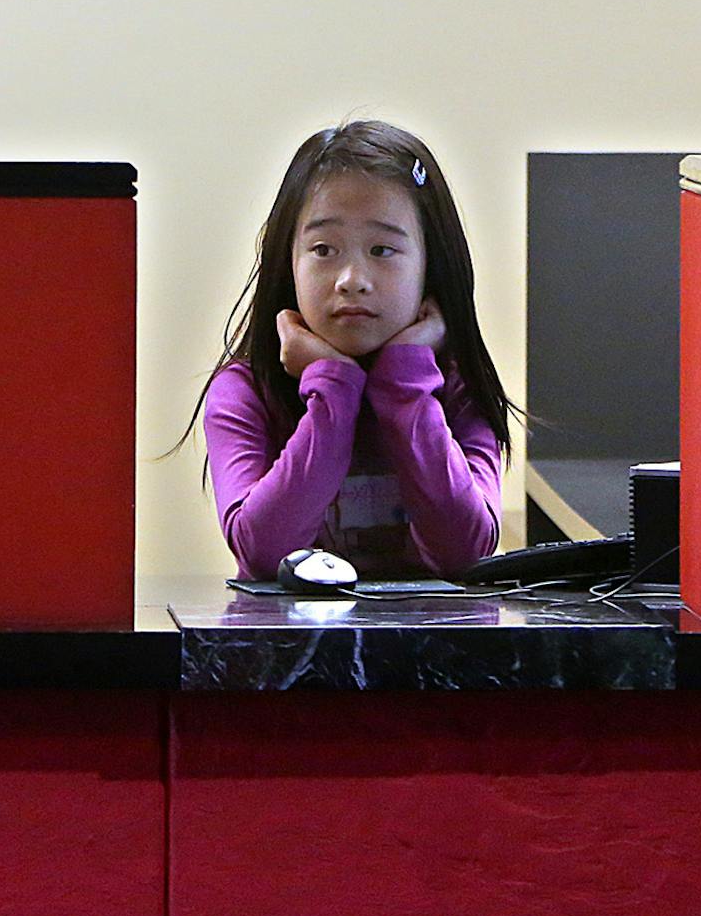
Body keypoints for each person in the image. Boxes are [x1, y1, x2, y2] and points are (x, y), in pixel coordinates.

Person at [170, 120, 519, 580]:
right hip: (291, 650)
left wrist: (405, 386)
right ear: (286, 262)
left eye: (381, 249)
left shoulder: (458, 389)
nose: (351, 279)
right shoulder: (243, 392)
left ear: (431, 266)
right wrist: (332, 386)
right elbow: (265, 554)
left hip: (434, 650)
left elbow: (465, 554)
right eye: (323, 249)